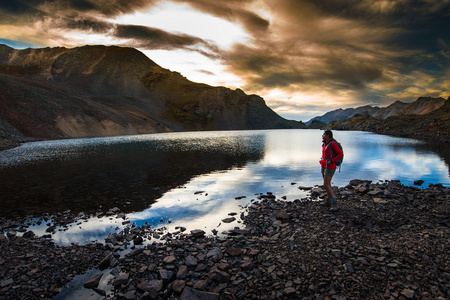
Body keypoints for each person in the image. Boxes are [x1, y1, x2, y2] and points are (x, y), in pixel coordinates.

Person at [320, 130, 343, 211]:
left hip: (330, 166)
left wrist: (332, 161)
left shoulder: (332, 143)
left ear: (328, 135)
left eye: (324, 134)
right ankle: (328, 201)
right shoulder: (325, 144)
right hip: (324, 165)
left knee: (326, 185)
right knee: (327, 184)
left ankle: (335, 203)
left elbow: (340, 154)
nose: (322, 135)